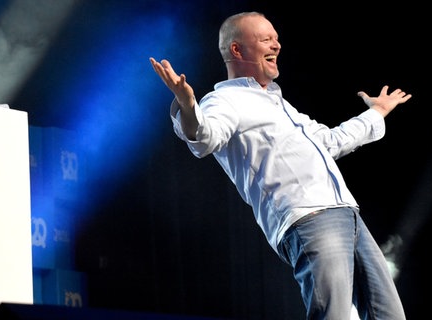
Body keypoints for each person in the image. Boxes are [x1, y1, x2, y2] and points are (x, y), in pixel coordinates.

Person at [150, 11, 411, 320]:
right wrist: (187, 105)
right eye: (266, 39)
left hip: (347, 213)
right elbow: (204, 137)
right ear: (237, 50)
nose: (277, 45)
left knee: (390, 315)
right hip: (309, 217)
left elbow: (329, 141)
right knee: (335, 315)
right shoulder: (224, 102)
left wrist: (376, 113)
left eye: (276, 38)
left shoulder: (281, 105)